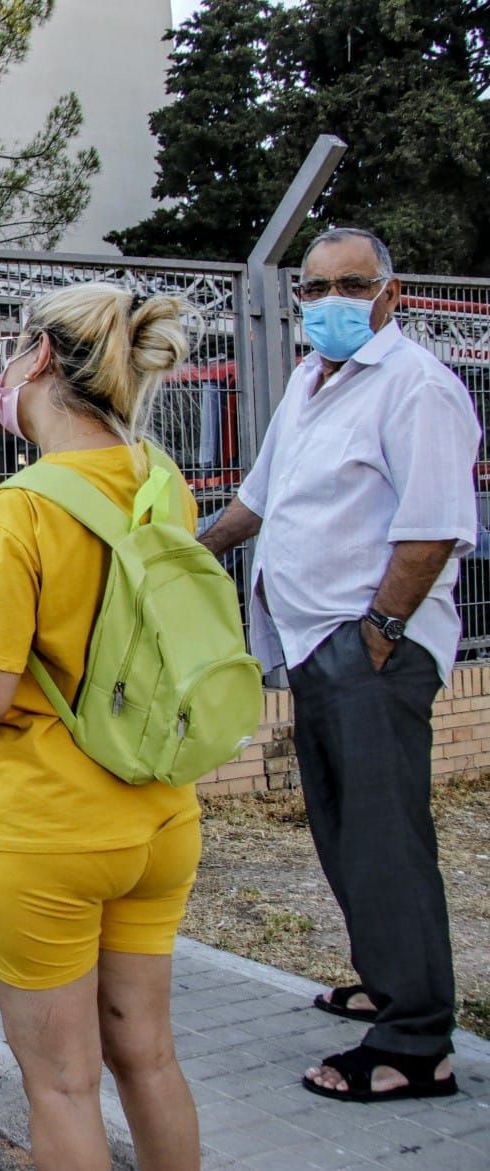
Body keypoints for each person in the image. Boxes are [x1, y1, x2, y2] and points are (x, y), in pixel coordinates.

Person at [0, 283, 201, 1169]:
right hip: (160, 812)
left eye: (11, 351)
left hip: (46, 830)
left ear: (40, 358)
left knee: (62, 1083)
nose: (2, 370)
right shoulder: (164, 486)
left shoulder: (15, 512)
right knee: (149, 1053)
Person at [201, 227, 476, 1105]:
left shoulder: (417, 389)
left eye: (350, 284)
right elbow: (258, 499)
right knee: (341, 824)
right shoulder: (311, 385)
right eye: (314, 288)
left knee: (385, 836)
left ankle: (415, 1039)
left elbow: (433, 525)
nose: (329, 301)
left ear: (390, 293)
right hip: (316, 643)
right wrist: (180, 553)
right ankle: (387, 979)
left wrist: (380, 631)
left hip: (372, 650)